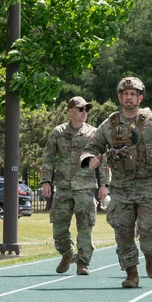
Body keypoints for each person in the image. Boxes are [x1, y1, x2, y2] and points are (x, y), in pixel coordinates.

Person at [81, 77, 152, 288]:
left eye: (133, 94)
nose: (129, 97)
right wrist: (90, 159)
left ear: (140, 97)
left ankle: (150, 252)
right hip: (122, 187)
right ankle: (131, 273)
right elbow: (91, 147)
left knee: (150, 229)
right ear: (119, 97)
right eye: (125, 93)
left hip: (149, 184)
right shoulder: (109, 125)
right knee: (123, 232)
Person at [41, 96, 108, 276]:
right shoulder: (58, 132)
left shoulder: (94, 133)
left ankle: (83, 262)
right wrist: (46, 181)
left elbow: (102, 160)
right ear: (71, 111)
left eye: (86, 109)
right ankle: (67, 252)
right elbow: (48, 157)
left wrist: (104, 184)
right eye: (81, 109)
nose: (84, 112)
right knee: (59, 227)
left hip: (85, 187)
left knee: (85, 226)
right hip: (63, 187)